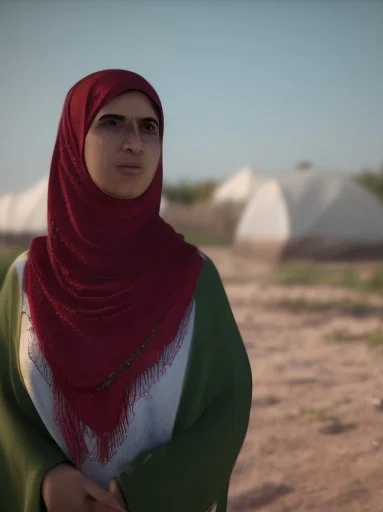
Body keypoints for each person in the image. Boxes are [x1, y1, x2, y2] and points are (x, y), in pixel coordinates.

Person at [0, 69, 252, 512]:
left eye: (149, 128)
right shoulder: (24, 281)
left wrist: (144, 492)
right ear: (74, 138)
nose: (134, 142)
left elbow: (227, 408)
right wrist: (43, 476)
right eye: (111, 122)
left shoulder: (195, 278)